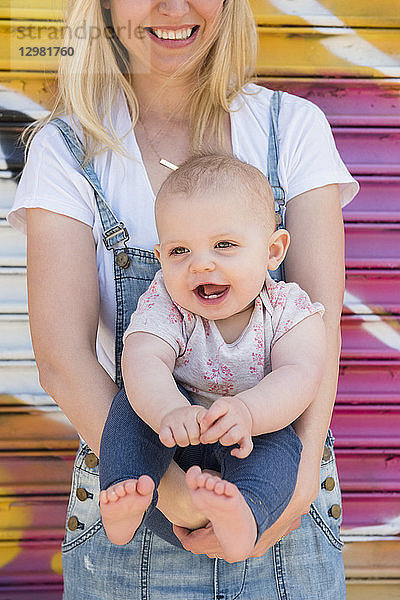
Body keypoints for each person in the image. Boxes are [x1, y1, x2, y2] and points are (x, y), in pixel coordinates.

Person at [8, 0, 359, 598]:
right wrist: (181, 498)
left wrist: (291, 490)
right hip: (141, 496)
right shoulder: (66, 150)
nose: (173, 7)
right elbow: (62, 361)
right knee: (132, 409)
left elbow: (315, 338)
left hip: (281, 501)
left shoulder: (291, 128)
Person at [98, 154, 325, 563]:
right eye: (180, 250)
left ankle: (244, 515)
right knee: (127, 408)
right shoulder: (167, 303)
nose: (201, 263)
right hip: (173, 433)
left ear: (273, 251)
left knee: (282, 446)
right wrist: (167, 409)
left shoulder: (288, 308)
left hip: (249, 432)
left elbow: (301, 373)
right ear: (161, 257)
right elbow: (144, 358)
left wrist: (249, 411)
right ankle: (124, 493)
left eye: (224, 245)